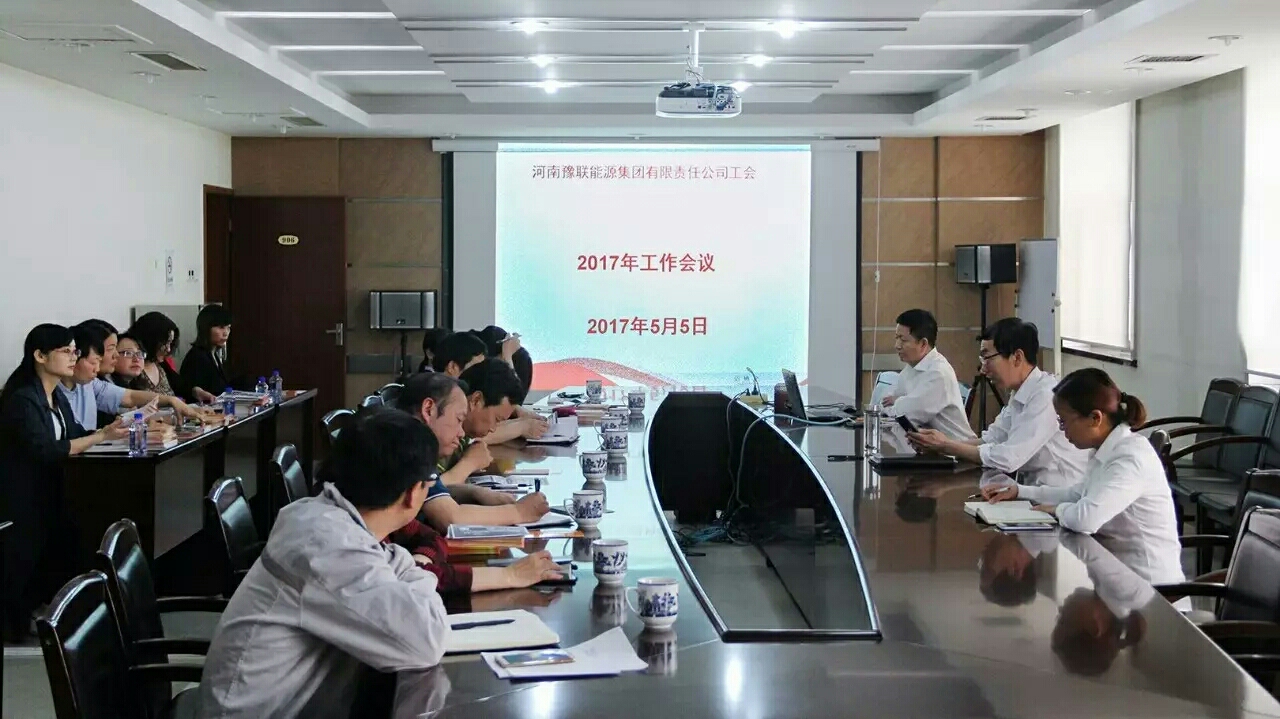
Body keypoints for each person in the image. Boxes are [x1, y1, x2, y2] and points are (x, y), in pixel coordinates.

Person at [196, 410, 451, 718]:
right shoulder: (329, 544)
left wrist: (411, 575)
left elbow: (395, 562)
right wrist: (422, 577)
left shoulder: (325, 517)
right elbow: (425, 641)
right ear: (413, 492)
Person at [982, 368, 1184, 587]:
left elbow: (1086, 519)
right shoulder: (1105, 448)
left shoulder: (1130, 458)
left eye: (1064, 422)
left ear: (1095, 418)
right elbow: (1077, 493)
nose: (1062, 430)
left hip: (1150, 592)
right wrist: (1020, 492)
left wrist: (1056, 510)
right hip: (1117, 579)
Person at [0, 325, 128, 641]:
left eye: (75, 351)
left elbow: (74, 434)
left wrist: (109, 434)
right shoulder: (22, 399)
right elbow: (46, 449)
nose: (74, 357)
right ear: (40, 356)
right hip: (23, 497)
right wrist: (99, 437)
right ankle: (22, 621)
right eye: (66, 351)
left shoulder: (55, 394)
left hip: (53, 491)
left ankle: (57, 611)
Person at [909, 318, 1086, 484]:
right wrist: (939, 446)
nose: (983, 369)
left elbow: (1008, 458)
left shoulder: (1046, 396)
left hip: (1058, 498)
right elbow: (991, 440)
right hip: (1031, 492)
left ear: (1017, 357)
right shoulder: (1020, 392)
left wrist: (947, 445)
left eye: (987, 358)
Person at [394, 371, 551, 533]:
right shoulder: (406, 447)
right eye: (458, 419)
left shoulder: (407, 438)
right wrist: (519, 512)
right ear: (428, 409)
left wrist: (474, 492)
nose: (461, 433)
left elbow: (430, 492)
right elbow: (451, 518)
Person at [59, 321, 205, 431]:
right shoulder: (56, 391)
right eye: (110, 350)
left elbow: (130, 397)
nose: (116, 355)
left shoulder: (91, 384)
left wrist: (173, 401)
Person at [881, 309, 975, 441]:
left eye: (903, 340)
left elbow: (906, 415)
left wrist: (897, 402)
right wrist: (898, 403)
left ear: (923, 344)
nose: (897, 346)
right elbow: (886, 402)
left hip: (955, 449)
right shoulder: (912, 366)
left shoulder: (938, 373)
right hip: (926, 446)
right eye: (896, 338)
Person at [128, 311, 216, 403]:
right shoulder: (134, 368)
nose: (168, 349)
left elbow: (181, 385)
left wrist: (197, 391)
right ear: (150, 340)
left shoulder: (160, 364)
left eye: (170, 343)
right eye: (164, 343)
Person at [181, 304, 250, 397]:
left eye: (228, 327)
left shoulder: (212, 353)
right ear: (206, 328)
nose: (226, 333)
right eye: (221, 327)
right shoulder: (197, 357)